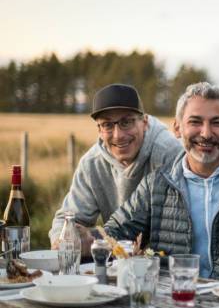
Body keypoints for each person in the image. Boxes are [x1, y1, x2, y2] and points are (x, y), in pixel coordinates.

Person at [103, 82, 219, 280]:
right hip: (176, 298)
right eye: (195, 122)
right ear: (177, 128)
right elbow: (113, 232)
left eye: (216, 123)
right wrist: (88, 239)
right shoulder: (156, 184)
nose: (206, 133)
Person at [49, 83, 182, 253]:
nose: (118, 135)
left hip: (162, 260)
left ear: (145, 122)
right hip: (116, 256)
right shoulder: (92, 164)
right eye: (107, 125)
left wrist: (96, 239)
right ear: (99, 129)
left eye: (126, 122)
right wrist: (62, 242)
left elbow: (177, 228)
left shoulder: (169, 154)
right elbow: (66, 218)